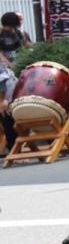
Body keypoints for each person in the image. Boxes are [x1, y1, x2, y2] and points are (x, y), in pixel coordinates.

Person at [0, 12, 26, 152]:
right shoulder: (1, 34)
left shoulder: (17, 33)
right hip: (4, 72)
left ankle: (16, 145)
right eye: (10, 27)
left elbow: (26, 45)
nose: (12, 29)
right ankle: (12, 146)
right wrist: (9, 64)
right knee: (6, 111)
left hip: (15, 70)